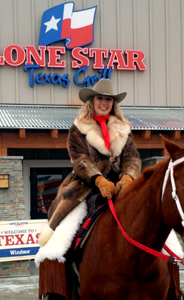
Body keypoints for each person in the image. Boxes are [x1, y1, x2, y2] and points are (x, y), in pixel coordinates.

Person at [36, 78, 141, 300]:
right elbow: (81, 160)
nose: (104, 103)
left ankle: (170, 289)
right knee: (61, 236)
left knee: (157, 226)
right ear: (92, 101)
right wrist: (100, 180)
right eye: (100, 99)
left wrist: (128, 179)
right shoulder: (78, 128)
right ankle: (56, 290)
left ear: (113, 103)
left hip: (121, 187)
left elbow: (132, 157)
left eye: (108, 99)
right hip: (86, 187)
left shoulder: (124, 129)